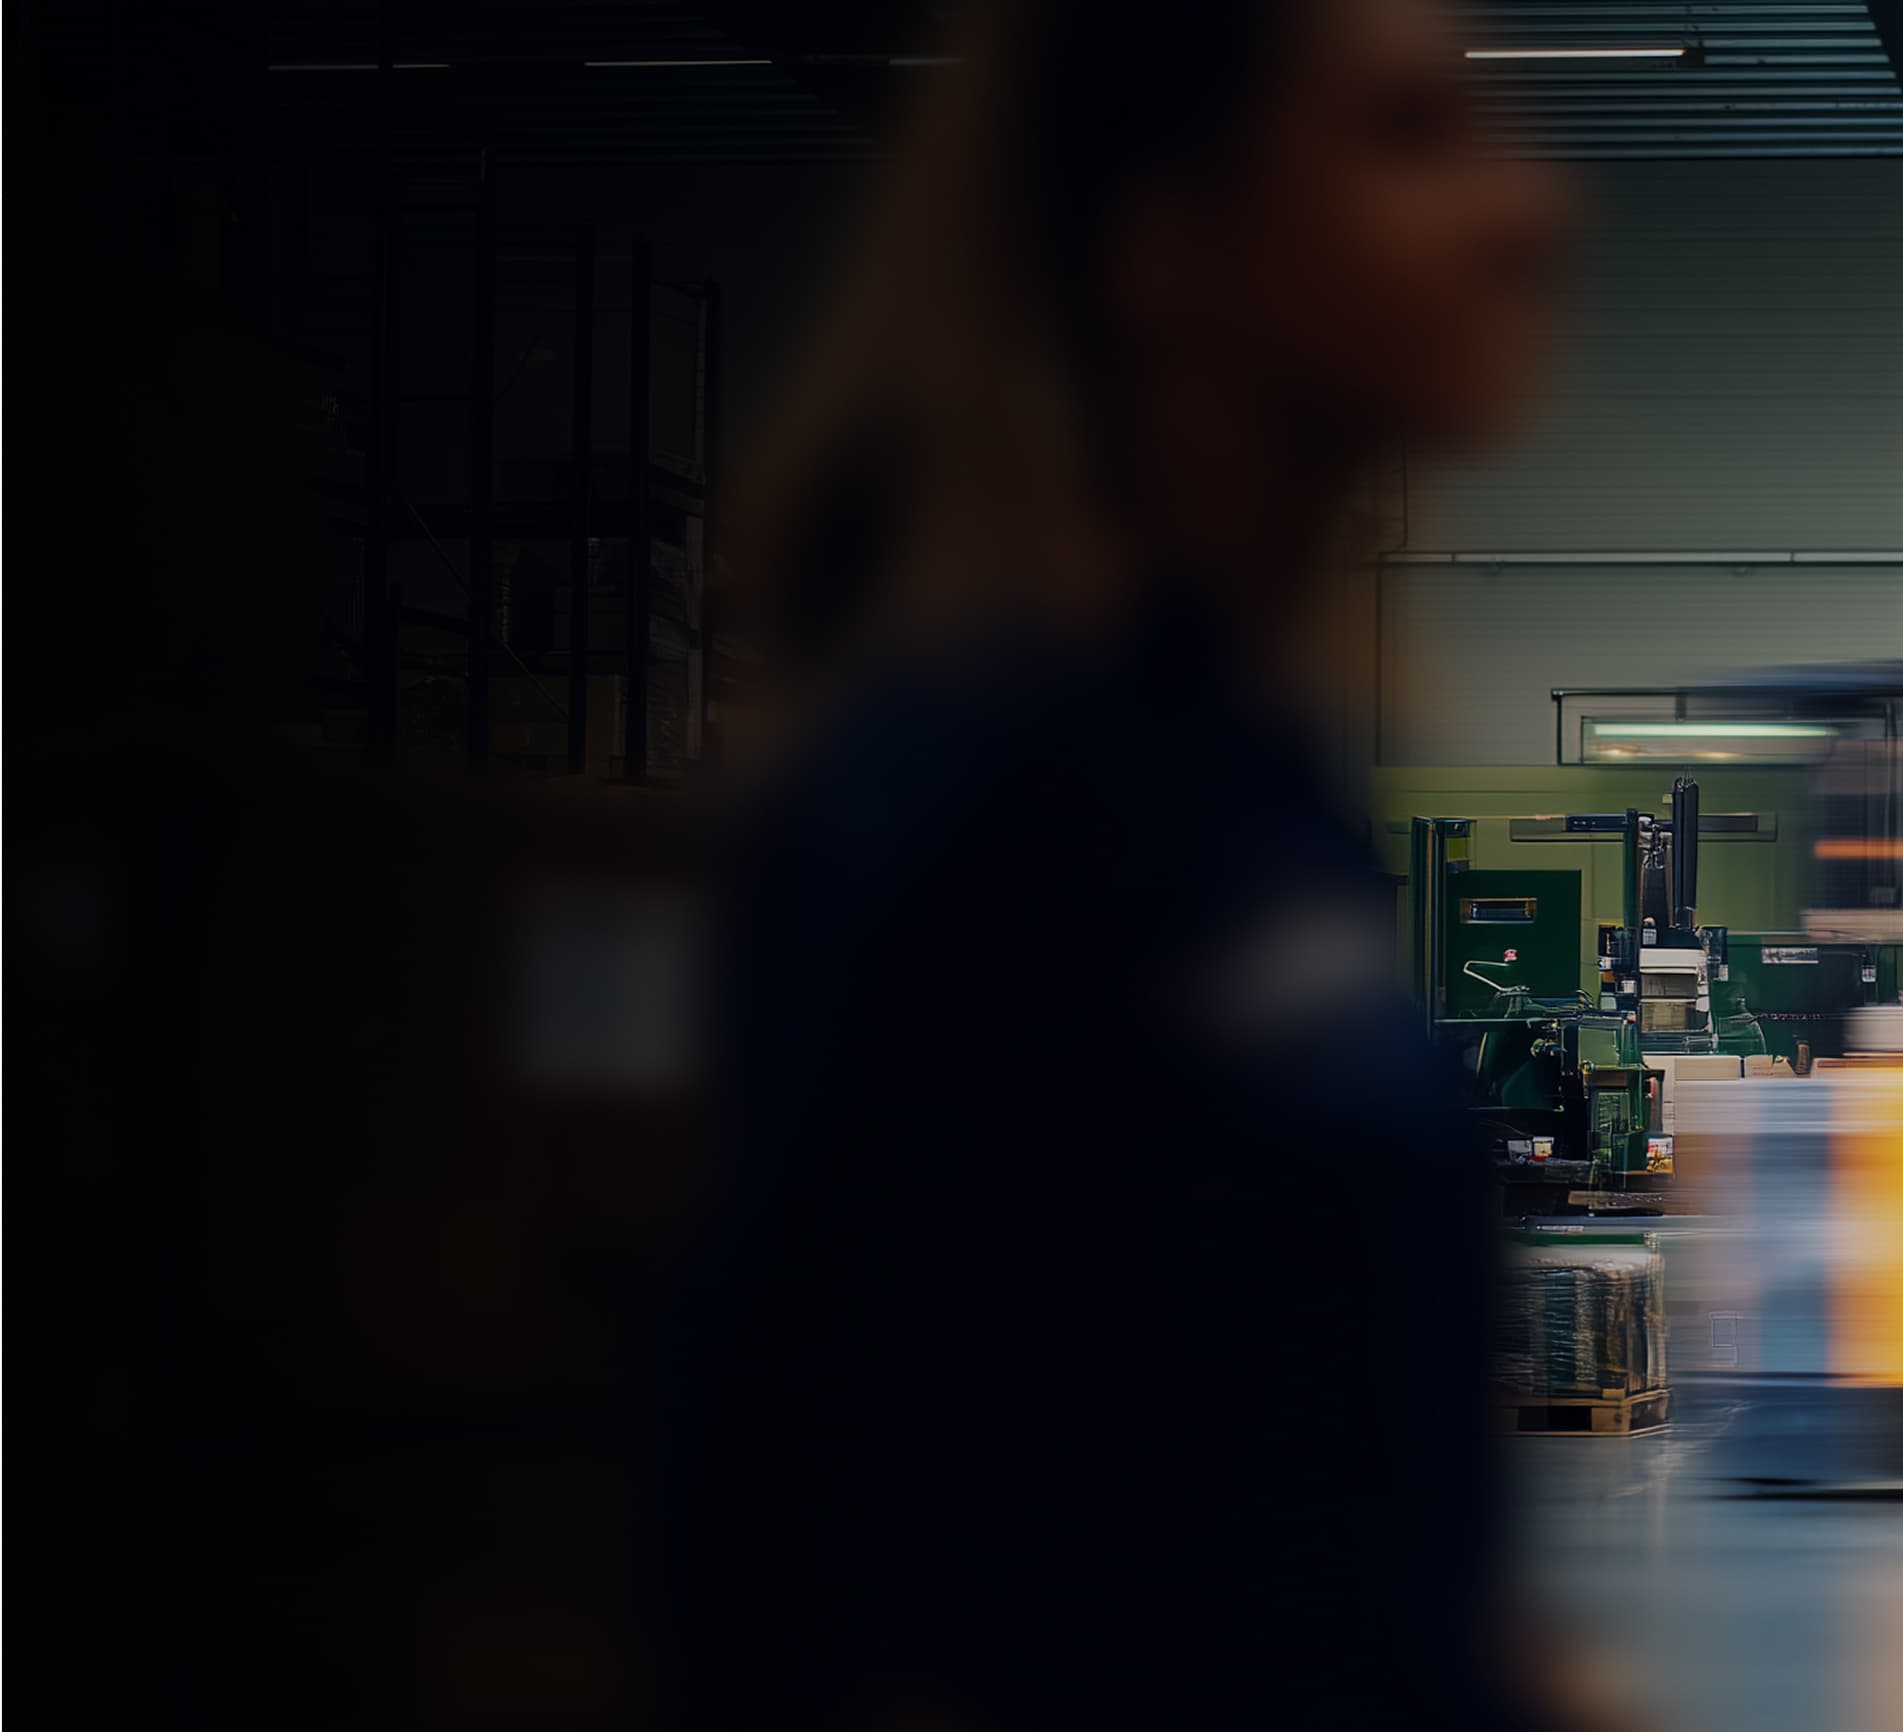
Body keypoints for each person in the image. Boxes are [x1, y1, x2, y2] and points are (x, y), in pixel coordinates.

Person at [661, 3, 1586, 1727]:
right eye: (1410, 136)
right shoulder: (977, 803)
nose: (1534, 210)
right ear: (1168, 248)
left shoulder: (1256, 793)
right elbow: (822, 1572)